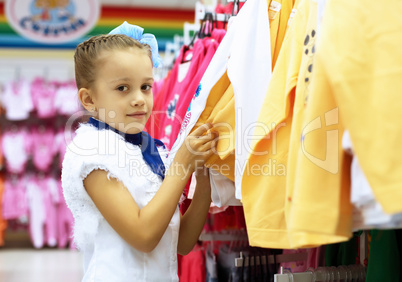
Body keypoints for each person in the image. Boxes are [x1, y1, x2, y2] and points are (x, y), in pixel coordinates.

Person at [61, 22, 218, 281]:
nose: (139, 98)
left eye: (145, 87)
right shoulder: (92, 155)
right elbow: (144, 236)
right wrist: (180, 165)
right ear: (89, 100)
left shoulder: (150, 150)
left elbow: (182, 243)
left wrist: (203, 180)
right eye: (123, 88)